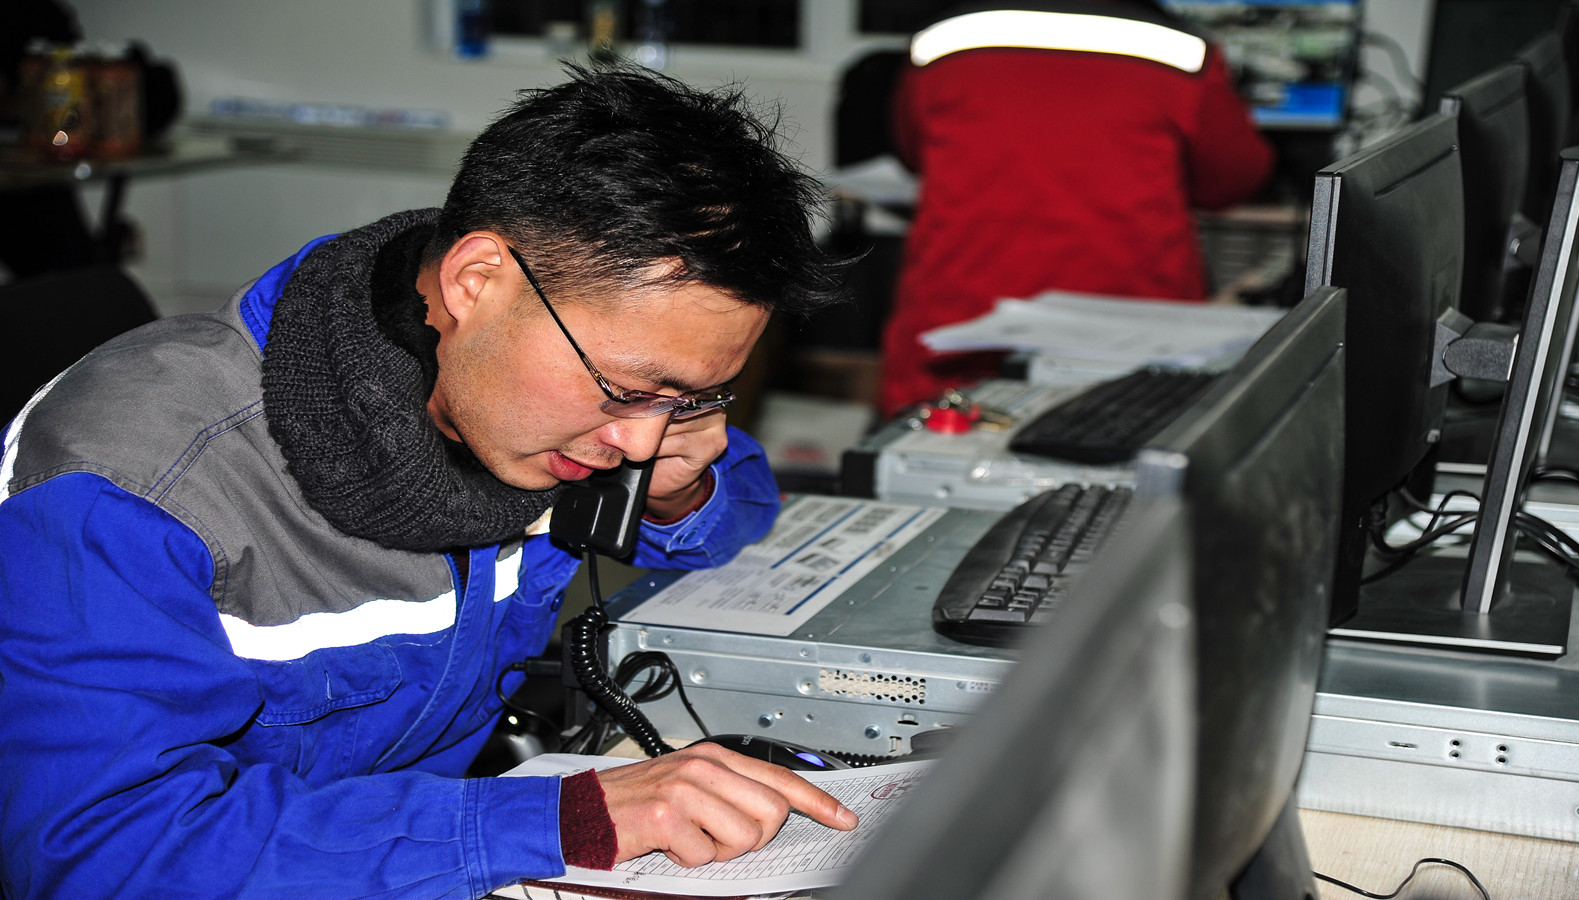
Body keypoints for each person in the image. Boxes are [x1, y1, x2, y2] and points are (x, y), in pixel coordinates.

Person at [0, 64, 857, 899]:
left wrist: (683, 494)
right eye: (629, 391)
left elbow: (744, 515)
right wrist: (547, 821)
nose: (640, 439)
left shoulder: (539, 395)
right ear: (476, 281)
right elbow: (99, 855)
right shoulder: (133, 483)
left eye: (691, 395)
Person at [876, 0, 1277, 416]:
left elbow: (911, 151)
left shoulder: (946, 37)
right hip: (1130, 336)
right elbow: (1232, 179)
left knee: (918, 461)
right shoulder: (1180, 51)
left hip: (959, 328)